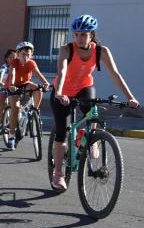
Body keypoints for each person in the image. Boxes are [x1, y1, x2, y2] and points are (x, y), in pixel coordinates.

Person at [50, 14, 139, 190]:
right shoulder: (67, 49)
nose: (79, 38)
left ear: (91, 34)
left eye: (83, 34)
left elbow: (115, 74)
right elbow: (62, 72)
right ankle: (58, 173)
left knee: (92, 113)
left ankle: (92, 140)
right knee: (62, 130)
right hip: (63, 92)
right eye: (76, 34)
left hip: (84, 87)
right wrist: (59, 92)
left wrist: (130, 97)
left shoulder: (101, 51)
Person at [5, 41, 50, 150]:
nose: (26, 57)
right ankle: (11, 137)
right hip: (13, 86)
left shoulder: (31, 63)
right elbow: (12, 73)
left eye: (28, 55)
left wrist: (45, 83)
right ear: (18, 54)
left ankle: (35, 110)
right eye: (23, 54)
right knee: (15, 108)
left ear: (31, 55)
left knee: (38, 89)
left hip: (25, 84)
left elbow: (38, 73)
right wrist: (11, 84)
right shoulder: (14, 62)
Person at [0, 49, 16, 126]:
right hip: (2, 87)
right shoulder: (4, 67)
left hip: (11, 88)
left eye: (14, 57)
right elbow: (1, 73)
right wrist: (0, 82)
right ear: (6, 58)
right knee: (4, 103)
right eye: (10, 57)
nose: (12, 59)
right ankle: (0, 119)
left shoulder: (17, 67)